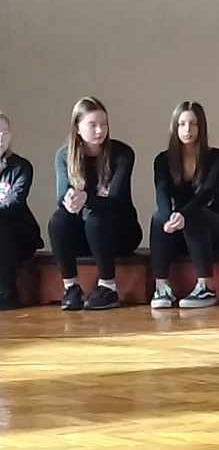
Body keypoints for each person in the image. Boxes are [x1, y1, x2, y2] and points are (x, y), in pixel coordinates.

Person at [49, 97, 141, 310]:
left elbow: (116, 201)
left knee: (96, 218)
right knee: (58, 220)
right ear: (77, 127)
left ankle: (108, 286)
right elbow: (61, 197)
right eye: (93, 125)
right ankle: (71, 287)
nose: (100, 131)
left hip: (119, 232)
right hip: (84, 235)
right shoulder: (64, 155)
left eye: (104, 124)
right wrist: (69, 201)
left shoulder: (122, 154)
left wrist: (86, 199)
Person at [148, 101, 219, 309]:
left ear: (201, 127)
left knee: (195, 214)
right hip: (180, 229)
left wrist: (182, 215)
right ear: (175, 127)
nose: (188, 129)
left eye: (193, 124)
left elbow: (207, 193)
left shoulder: (217, 157)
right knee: (158, 216)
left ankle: (206, 286)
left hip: (216, 229)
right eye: (182, 124)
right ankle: (161, 287)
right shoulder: (162, 160)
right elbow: (161, 193)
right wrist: (169, 217)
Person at [0, 113, 42, 310]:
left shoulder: (21, 167)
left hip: (18, 234)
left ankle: (6, 293)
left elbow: (14, 202)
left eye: (5, 132)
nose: (1, 137)